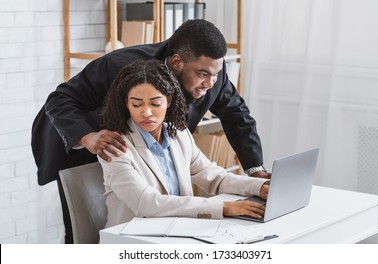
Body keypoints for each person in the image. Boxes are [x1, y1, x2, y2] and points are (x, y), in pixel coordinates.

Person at [31, 19, 269, 243]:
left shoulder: (208, 76)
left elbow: (237, 116)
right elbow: (59, 100)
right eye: (203, 74)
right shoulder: (121, 68)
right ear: (177, 62)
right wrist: (88, 137)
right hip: (93, 142)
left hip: (151, 150)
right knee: (86, 229)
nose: (210, 83)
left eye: (156, 104)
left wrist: (255, 175)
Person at [99, 59, 269, 227]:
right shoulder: (114, 146)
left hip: (178, 230)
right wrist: (222, 207)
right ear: (126, 104)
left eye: (155, 103)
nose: (147, 113)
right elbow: (147, 203)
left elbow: (215, 178)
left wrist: (259, 186)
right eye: (136, 104)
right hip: (131, 240)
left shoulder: (180, 134)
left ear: (169, 101)